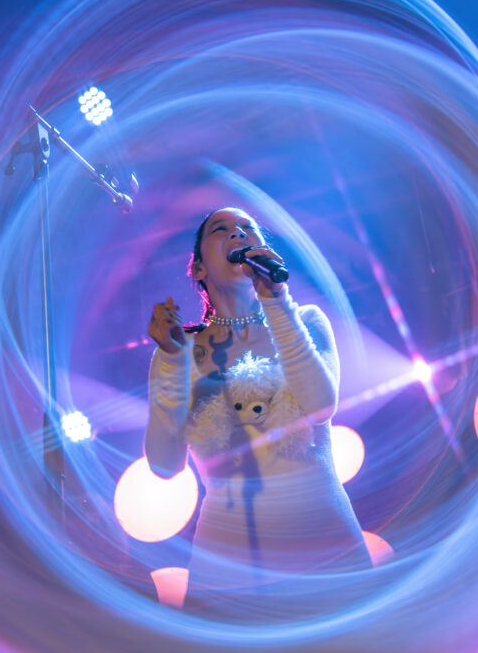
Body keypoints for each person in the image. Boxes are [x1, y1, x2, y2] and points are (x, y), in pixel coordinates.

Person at [144, 207, 370, 612]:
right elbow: (164, 465)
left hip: (327, 557)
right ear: (198, 269)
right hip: (227, 577)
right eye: (221, 229)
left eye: (248, 228)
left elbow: (320, 406)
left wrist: (276, 303)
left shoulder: (306, 320)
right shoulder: (180, 349)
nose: (238, 233)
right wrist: (171, 361)